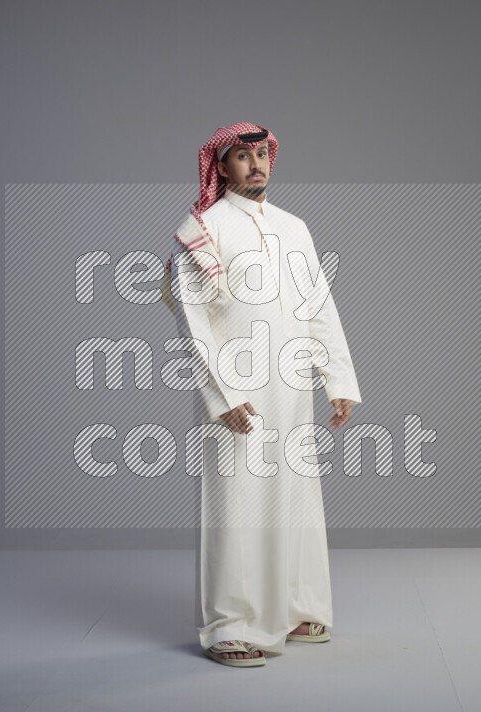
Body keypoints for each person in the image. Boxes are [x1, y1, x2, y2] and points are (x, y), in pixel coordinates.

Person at [161, 122, 362, 667]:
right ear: (220, 167)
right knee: (235, 503)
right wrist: (220, 395)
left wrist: (337, 379)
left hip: (292, 385)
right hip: (237, 391)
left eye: (261, 155)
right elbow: (193, 320)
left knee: (296, 497)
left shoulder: (295, 228)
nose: (255, 164)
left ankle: (298, 606)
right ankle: (229, 625)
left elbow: (317, 305)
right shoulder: (202, 229)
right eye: (241, 156)